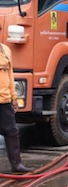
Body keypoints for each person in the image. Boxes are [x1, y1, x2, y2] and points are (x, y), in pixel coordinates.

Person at [0, 30, 31, 173]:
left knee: (11, 131)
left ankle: (17, 164)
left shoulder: (6, 50)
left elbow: (10, 75)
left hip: (5, 100)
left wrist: (14, 97)